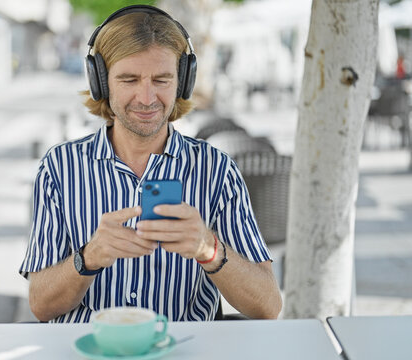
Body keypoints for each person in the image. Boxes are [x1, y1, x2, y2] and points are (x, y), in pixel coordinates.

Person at [19, 5, 282, 323]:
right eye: (129, 79)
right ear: (101, 81)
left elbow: (268, 305)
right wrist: (88, 258)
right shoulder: (60, 169)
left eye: (161, 80)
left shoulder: (217, 170)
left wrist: (209, 249)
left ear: (183, 81)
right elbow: (40, 305)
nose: (146, 98)